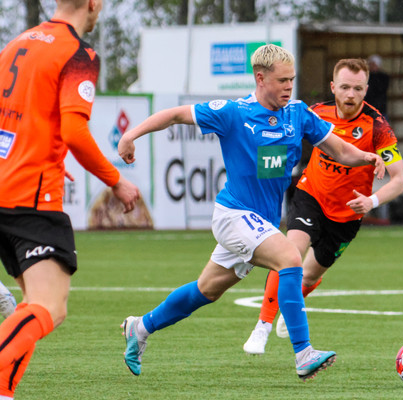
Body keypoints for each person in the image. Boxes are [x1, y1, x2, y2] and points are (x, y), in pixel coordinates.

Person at [118, 45, 385, 382]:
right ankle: (304, 353)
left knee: (206, 290)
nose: (289, 86)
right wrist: (131, 135)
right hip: (233, 216)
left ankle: (140, 327)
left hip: (262, 223)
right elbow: (173, 115)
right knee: (291, 258)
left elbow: (340, 150)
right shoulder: (233, 112)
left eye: (292, 80)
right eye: (282, 80)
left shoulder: (297, 113)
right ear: (260, 78)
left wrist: (367, 157)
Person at [0, 1, 139, 398]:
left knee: (31, 306)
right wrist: (116, 181)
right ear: (93, 4)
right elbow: (74, 132)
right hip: (31, 197)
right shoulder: (78, 54)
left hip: (6, 186)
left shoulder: (17, 44)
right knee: (50, 307)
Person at [243, 58, 403, 355]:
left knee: (308, 276)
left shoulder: (378, 127)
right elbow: (278, 132)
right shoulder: (316, 113)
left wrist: (371, 201)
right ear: (333, 87)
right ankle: (262, 326)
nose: (350, 94)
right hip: (311, 195)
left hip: (347, 215)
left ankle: (293, 305)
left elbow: (400, 180)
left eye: (357, 88)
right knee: (289, 256)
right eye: (344, 87)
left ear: (366, 89)